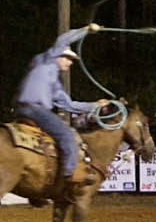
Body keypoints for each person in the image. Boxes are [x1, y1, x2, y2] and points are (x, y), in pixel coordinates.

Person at [11, 24, 108, 185]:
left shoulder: (54, 83)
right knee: (66, 134)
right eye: (68, 59)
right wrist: (87, 30)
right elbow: (63, 39)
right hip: (35, 109)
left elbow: (70, 105)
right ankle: (69, 173)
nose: (70, 63)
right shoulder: (48, 59)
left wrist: (94, 105)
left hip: (22, 108)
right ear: (59, 56)